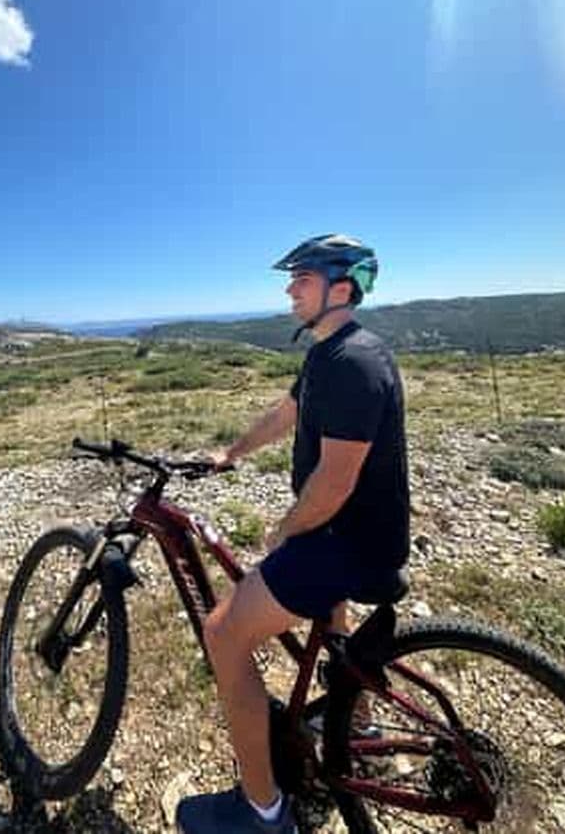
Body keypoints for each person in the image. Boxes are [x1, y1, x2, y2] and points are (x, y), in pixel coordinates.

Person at [176, 234, 410, 834]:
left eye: (301, 279)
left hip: (345, 541)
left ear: (341, 287)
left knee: (224, 634)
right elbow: (289, 412)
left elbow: (333, 482)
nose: (288, 289)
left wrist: (284, 532)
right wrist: (230, 453)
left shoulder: (353, 364)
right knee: (327, 616)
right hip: (357, 536)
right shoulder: (331, 356)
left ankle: (262, 811)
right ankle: (351, 722)